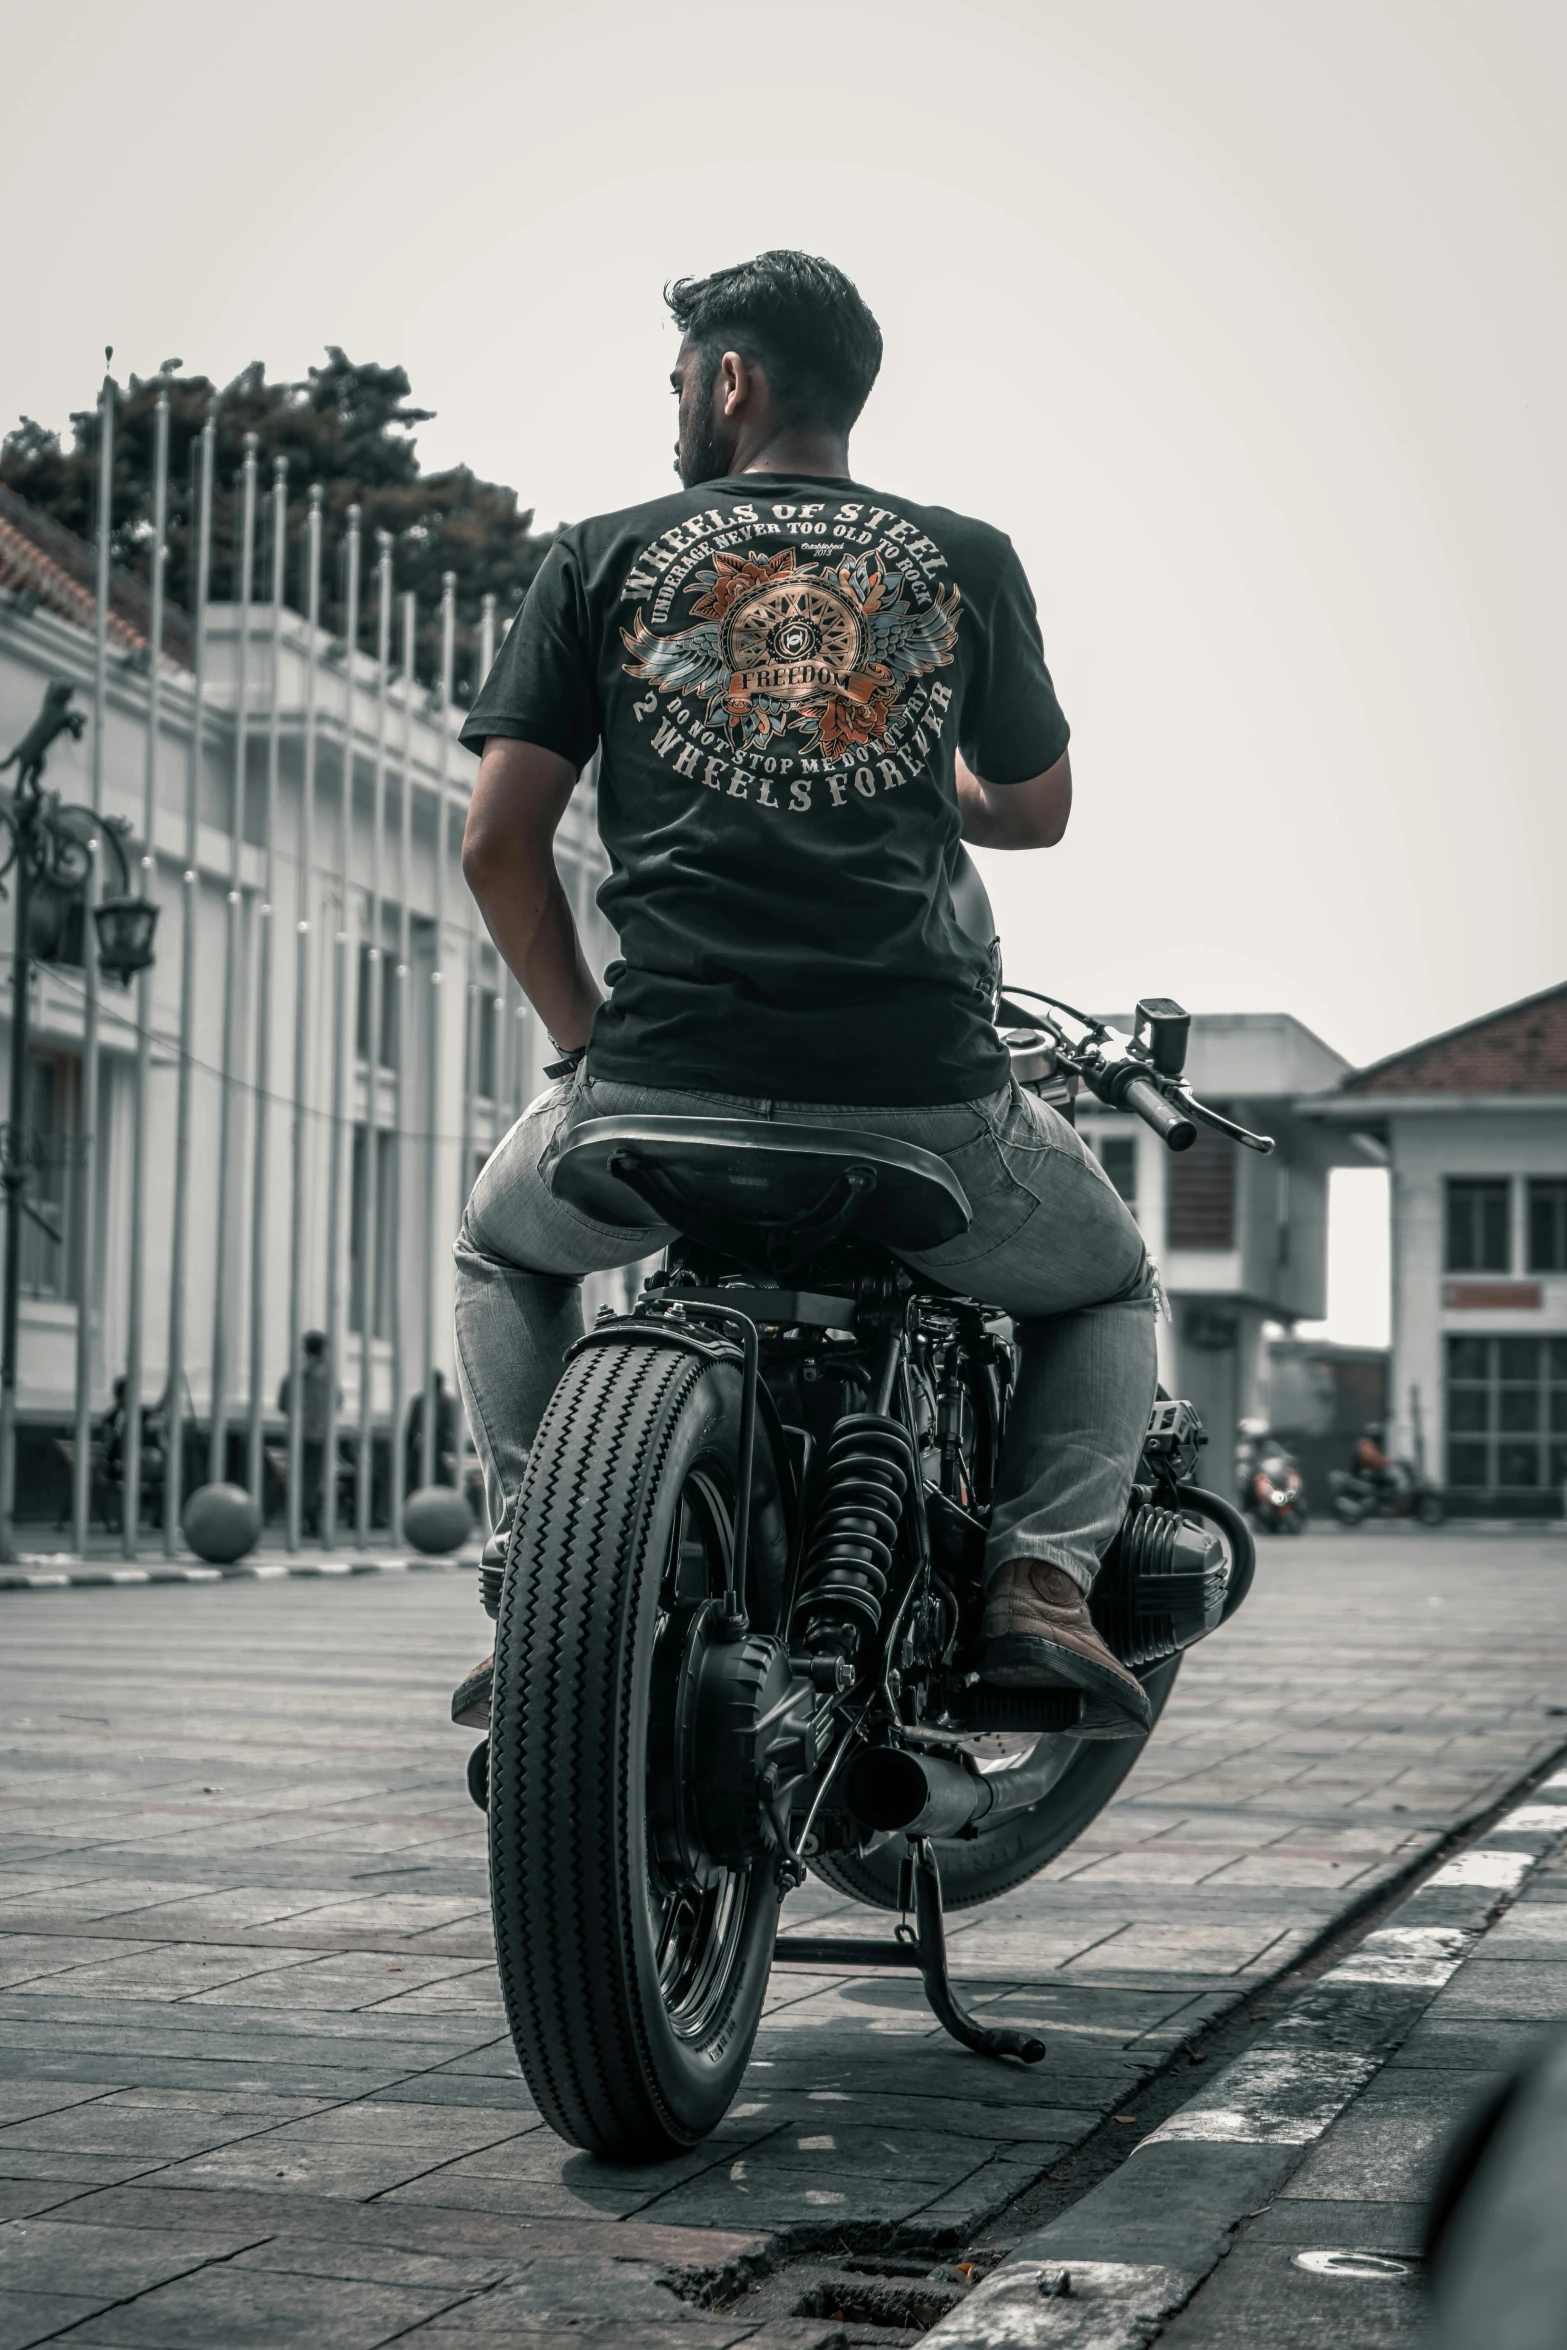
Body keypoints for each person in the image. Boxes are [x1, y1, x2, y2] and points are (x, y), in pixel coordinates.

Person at [449, 249, 1156, 1741]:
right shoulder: (960, 556)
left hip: (657, 1081)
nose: (674, 414)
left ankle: (539, 1568)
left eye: (677, 383)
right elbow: (1034, 811)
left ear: (728, 380)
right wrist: (913, 775)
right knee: (1105, 1283)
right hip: (929, 1097)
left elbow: (497, 847)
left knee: (496, 1248)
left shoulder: (595, 554)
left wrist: (590, 1048)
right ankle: (1036, 1579)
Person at [278, 1332, 337, 1537]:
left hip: (295, 1433)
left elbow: (282, 1404)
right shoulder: (327, 1373)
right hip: (318, 1434)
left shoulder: (293, 1372)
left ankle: (298, 1517)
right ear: (322, 1349)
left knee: (296, 1475)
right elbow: (336, 1401)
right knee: (315, 1478)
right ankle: (309, 1518)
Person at [404, 1370, 459, 1496]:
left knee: (420, 1484)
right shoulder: (448, 1402)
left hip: (425, 1447)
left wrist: (408, 1449)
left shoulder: (420, 1401)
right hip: (439, 1447)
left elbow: (410, 1430)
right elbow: (454, 1430)